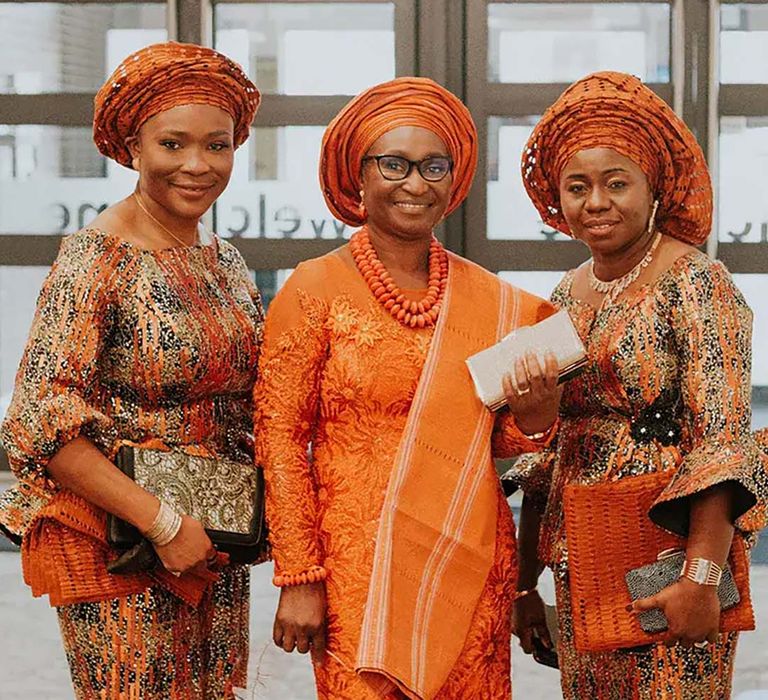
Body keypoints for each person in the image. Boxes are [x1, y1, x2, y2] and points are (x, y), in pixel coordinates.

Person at [255, 76, 560, 700]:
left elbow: (500, 436)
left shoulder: (492, 302)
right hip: (356, 572)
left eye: (433, 166)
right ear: (357, 176)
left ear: (455, 179)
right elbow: (280, 441)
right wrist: (299, 575)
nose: (415, 183)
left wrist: (535, 418)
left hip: (466, 557)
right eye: (394, 164)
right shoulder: (312, 291)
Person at [0, 42, 263, 699]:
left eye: (218, 144)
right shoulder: (96, 259)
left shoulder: (224, 259)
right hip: (122, 543)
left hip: (213, 535)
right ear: (133, 147)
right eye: (173, 144)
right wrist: (163, 524)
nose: (198, 165)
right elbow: (42, 424)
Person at [511, 71, 767, 699]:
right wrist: (525, 586)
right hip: (582, 554)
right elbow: (551, 452)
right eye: (577, 187)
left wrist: (703, 575)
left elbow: (722, 443)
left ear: (654, 188)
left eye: (615, 182)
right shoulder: (568, 293)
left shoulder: (698, 284)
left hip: (668, 551)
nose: (595, 202)